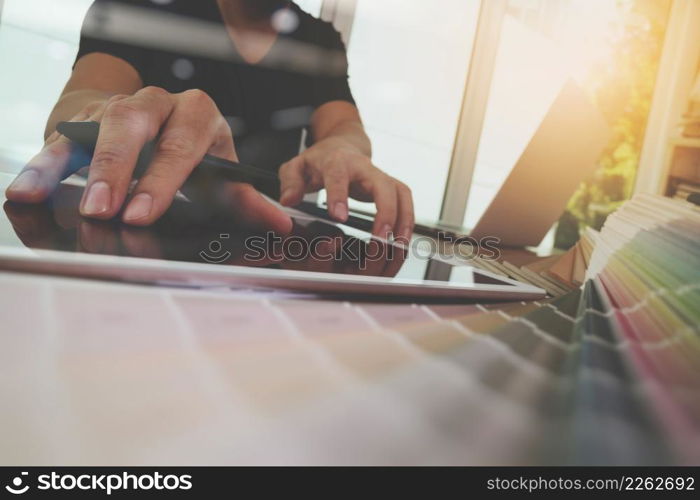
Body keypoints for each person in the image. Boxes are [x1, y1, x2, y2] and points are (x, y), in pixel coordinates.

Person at [5, 0, 414, 240]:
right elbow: (80, 102)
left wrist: (341, 148)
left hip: (259, 250)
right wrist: (107, 117)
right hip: (131, 234)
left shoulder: (319, 40)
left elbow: (344, 126)